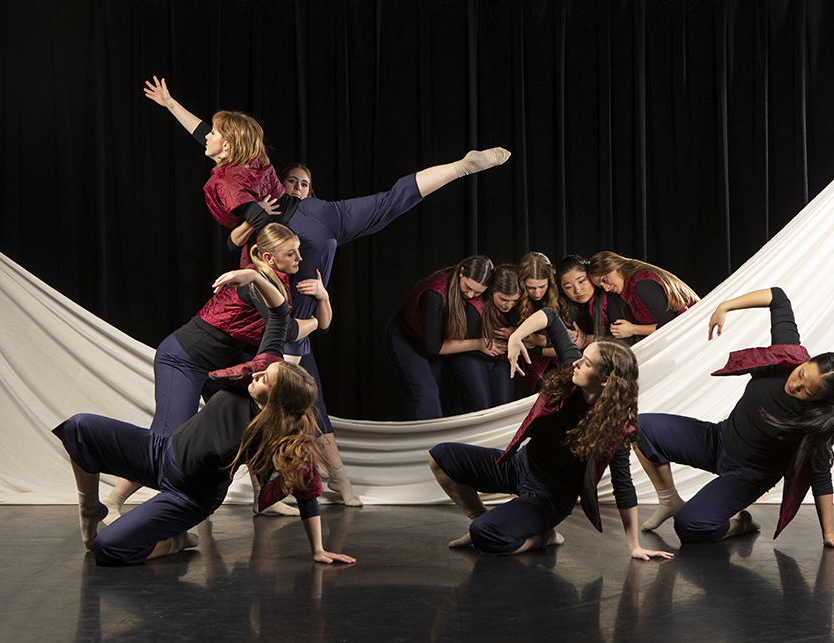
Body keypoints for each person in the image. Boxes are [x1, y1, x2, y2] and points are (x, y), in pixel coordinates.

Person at [145, 75, 511, 503]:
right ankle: (288, 484)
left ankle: (283, 484)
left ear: (229, 143)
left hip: (284, 267)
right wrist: (171, 105)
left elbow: (249, 215)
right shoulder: (255, 160)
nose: (210, 136)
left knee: (276, 393)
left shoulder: (232, 181)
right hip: (304, 247)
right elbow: (210, 139)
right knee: (387, 203)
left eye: (217, 134)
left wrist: (241, 233)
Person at [54, 269, 356, 566]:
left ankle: (175, 541)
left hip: (190, 496)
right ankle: (91, 508)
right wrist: (254, 278)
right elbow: (278, 315)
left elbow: (308, 491)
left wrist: (318, 549)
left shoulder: (277, 434)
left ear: (276, 401)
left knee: (108, 549)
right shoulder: (259, 370)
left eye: (266, 379)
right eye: (265, 370)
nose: (259, 371)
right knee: (80, 427)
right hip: (160, 453)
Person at [102, 223, 327, 519]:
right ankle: (112, 502)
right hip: (182, 360)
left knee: (253, 420)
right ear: (270, 258)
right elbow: (286, 330)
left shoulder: (277, 280)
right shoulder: (256, 282)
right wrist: (314, 323)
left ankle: (261, 498)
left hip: (218, 366)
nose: (300, 258)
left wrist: (322, 299)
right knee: (167, 437)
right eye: (291, 253)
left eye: (298, 250)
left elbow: (293, 324)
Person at [427, 305, 673, 560]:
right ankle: (483, 518)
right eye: (581, 356)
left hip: (549, 497)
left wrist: (634, 546)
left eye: (587, 362)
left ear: (605, 380)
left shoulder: (615, 427)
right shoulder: (572, 374)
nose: (577, 362)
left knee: (485, 536)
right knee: (441, 457)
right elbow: (551, 317)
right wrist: (515, 337)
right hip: (519, 465)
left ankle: (543, 536)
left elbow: (623, 486)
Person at [634, 287, 834, 548]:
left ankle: (739, 524)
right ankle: (669, 500)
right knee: (638, 427)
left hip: (748, 474)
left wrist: (829, 533)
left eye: (807, 391)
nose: (795, 385)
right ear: (805, 361)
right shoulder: (787, 355)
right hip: (718, 440)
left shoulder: (816, 422)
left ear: (819, 400)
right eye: (801, 373)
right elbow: (778, 297)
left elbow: (820, 475)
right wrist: (725, 305)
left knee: (690, 526)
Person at [385, 256, 499, 420]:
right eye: (468, 287)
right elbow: (433, 347)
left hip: (434, 341)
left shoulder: (474, 292)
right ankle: (429, 444)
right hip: (405, 336)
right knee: (427, 394)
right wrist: (478, 343)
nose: (470, 294)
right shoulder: (434, 295)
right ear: (461, 272)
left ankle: (448, 443)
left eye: (478, 292)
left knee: (447, 395)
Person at [585, 251, 699, 345]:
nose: (606, 288)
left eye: (604, 280)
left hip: (693, 335)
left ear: (614, 266)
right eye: (601, 286)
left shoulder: (642, 284)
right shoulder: (630, 288)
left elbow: (670, 326)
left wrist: (632, 329)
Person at [452, 264, 522, 412]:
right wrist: (482, 344)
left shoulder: (518, 307)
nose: (509, 305)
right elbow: (459, 342)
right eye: (504, 299)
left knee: (504, 406)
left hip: (500, 359)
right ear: (492, 291)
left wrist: (516, 333)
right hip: (471, 356)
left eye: (514, 300)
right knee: (481, 403)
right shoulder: (474, 307)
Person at [515, 251, 566, 390]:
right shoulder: (515, 299)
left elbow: (566, 341)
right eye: (531, 287)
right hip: (530, 364)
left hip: (561, 361)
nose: (536, 293)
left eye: (542, 286)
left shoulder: (561, 294)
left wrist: (532, 339)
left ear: (550, 280)